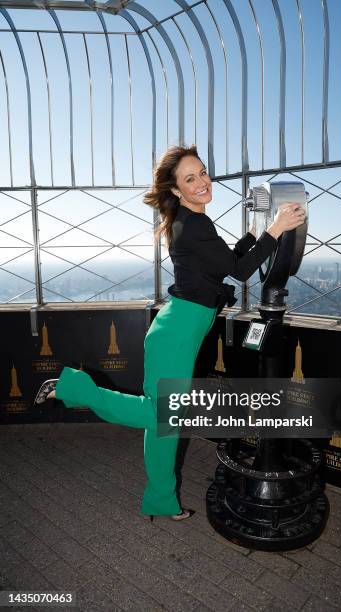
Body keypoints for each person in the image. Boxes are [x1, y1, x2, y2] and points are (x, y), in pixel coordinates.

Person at [34, 145, 306, 521]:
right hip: (176, 332)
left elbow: (226, 263)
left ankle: (160, 500)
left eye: (203, 173)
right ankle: (72, 388)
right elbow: (242, 272)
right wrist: (276, 229)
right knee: (164, 416)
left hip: (176, 328)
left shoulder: (190, 221)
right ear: (176, 189)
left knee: (162, 424)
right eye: (189, 178)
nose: (202, 183)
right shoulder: (192, 224)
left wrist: (258, 233)